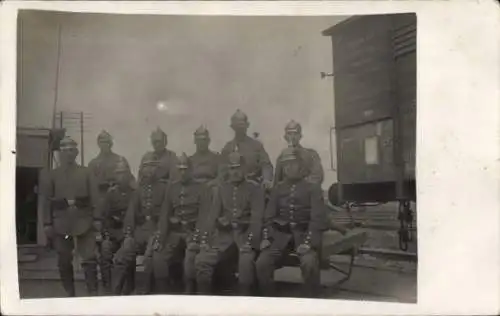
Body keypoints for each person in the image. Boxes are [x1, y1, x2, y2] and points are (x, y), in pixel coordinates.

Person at [255, 147, 328, 298]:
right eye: (286, 165)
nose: (289, 168)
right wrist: (268, 238)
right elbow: (268, 217)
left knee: (309, 263)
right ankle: (267, 303)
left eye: (292, 164)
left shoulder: (312, 189)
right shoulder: (278, 188)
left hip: (303, 236)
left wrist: (308, 243)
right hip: (281, 237)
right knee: (262, 263)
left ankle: (312, 301)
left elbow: (317, 219)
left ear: (301, 166)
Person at [195, 150, 265, 296]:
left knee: (245, 263)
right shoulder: (222, 189)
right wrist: (206, 240)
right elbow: (212, 217)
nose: (235, 172)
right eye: (232, 168)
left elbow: (256, 219)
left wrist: (250, 241)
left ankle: (245, 301)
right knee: (202, 261)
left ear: (244, 169)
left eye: (238, 168)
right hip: (224, 238)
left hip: (245, 236)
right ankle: (203, 302)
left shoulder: (254, 189)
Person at [40, 136, 101, 297]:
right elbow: (45, 200)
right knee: (64, 259)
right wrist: (47, 223)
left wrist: (97, 219)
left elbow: (95, 196)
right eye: (64, 151)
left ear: (76, 152)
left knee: (89, 258)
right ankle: (70, 293)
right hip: (61, 223)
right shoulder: (51, 175)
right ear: (60, 153)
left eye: (71, 150)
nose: (68, 154)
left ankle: (92, 292)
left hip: (84, 220)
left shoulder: (86, 172)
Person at [151, 153, 212, 294]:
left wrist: (197, 237)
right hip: (175, 232)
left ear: (191, 170)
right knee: (159, 255)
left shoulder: (202, 188)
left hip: (193, 232)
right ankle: (163, 293)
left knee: (191, 257)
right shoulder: (172, 188)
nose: (182, 172)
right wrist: (160, 238)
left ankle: (189, 291)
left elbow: (204, 217)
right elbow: (164, 215)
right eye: (180, 169)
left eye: (185, 169)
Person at [112, 157, 168, 295]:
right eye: (146, 167)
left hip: (155, 231)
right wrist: (128, 235)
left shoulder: (165, 188)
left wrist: (159, 235)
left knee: (148, 259)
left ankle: (142, 294)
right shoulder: (138, 190)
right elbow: (131, 213)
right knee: (122, 256)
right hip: (139, 232)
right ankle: (115, 294)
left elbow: (165, 215)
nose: (149, 170)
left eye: (152, 167)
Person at [96, 158, 135, 295]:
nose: (121, 176)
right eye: (118, 173)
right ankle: (108, 287)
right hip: (113, 233)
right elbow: (104, 217)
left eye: (124, 172)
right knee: (105, 249)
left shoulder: (134, 193)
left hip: (130, 234)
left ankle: (126, 286)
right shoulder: (110, 194)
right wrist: (108, 233)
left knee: (126, 251)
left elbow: (138, 217)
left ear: (129, 174)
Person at [219, 109, 273, 189]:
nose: (240, 128)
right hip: (233, 187)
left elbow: (266, 165)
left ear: (247, 125)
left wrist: (266, 179)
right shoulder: (228, 148)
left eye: (242, 125)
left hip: (254, 185)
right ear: (232, 127)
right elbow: (222, 170)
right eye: (237, 126)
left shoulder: (256, 146)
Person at [274, 120, 324, 186]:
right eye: (289, 134)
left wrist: (300, 186)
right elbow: (277, 182)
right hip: (287, 194)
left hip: (306, 192)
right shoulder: (281, 158)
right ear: (285, 137)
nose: (292, 137)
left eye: (295, 134)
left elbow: (317, 176)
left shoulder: (311, 155)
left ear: (300, 136)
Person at [88, 130, 133, 198]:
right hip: (100, 199)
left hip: (118, 198)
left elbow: (129, 180)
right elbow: (92, 186)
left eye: (107, 142)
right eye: (102, 142)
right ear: (98, 144)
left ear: (111, 143)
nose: (105, 144)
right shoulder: (93, 164)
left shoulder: (120, 160)